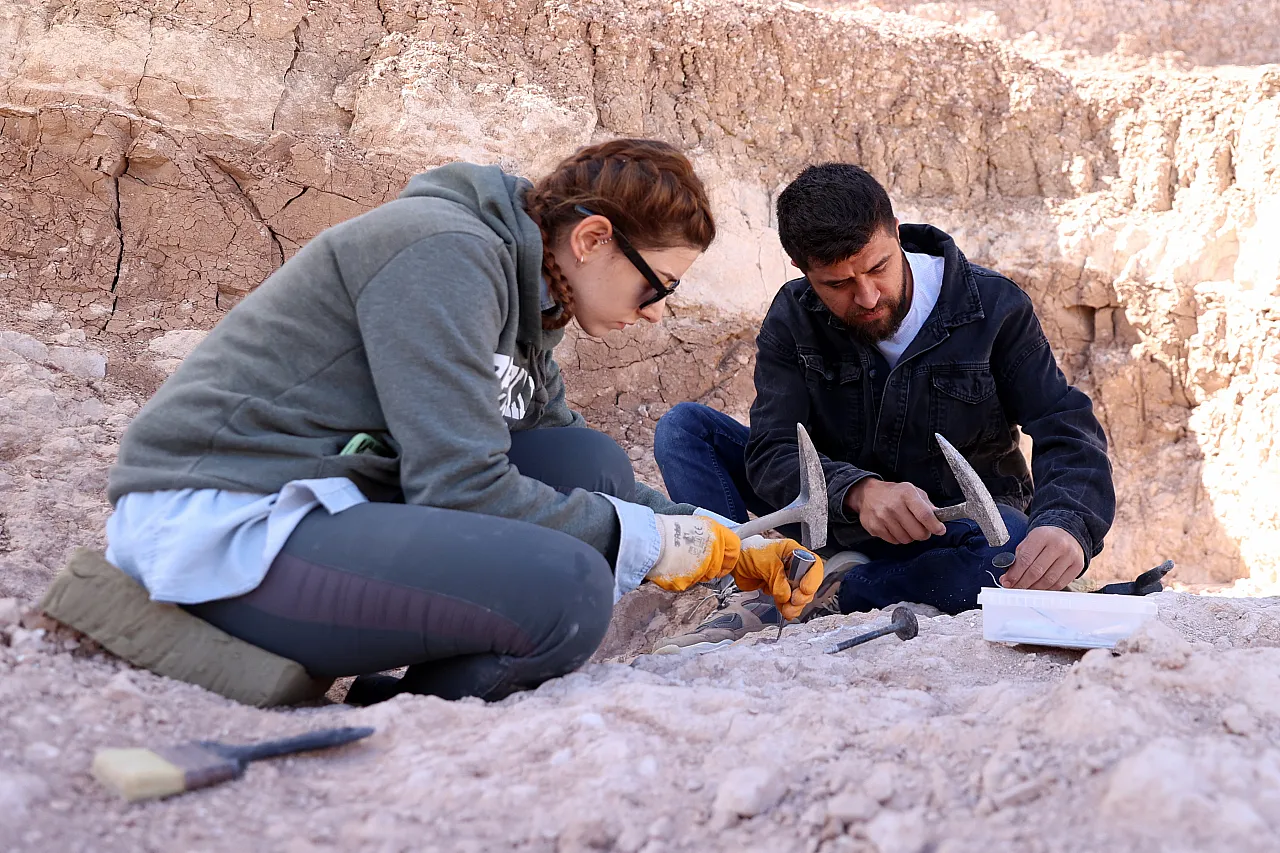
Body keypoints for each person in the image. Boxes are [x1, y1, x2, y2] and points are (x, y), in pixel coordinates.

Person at [101, 139, 824, 703]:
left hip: (329, 506)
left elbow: (557, 464)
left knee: (582, 458)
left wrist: (727, 542)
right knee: (567, 590)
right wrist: (657, 545)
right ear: (593, 239)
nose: (659, 308)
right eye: (657, 283)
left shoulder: (532, 299)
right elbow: (462, 486)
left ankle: (402, 697)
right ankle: (414, 712)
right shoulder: (445, 254)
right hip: (228, 520)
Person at [651, 163, 1115, 653]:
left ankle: (838, 588)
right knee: (684, 429)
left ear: (896, 232)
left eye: (877, 268)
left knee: (1007, 554)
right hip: (833, 518)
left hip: (950, 530)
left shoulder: (994, 307)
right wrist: (859, 492)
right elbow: (772, 452)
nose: (867, 296)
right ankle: (744, 588)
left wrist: (1066, 524)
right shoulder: (792, 317)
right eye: (838, 284)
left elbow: (1065, 426)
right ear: (804, 271)